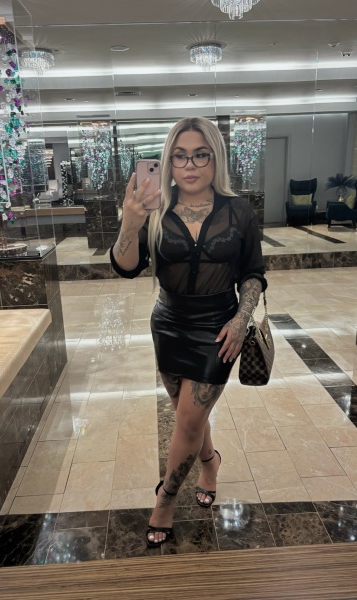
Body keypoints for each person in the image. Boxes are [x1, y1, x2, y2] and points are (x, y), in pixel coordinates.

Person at [110, 116, 267, 547]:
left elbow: (253, 273)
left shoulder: (238, 211)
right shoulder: (155, 207)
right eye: (179, 156)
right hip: (169, 325)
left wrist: (241, 320)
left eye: (201, 155)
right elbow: (126, 268)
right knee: (188, 415)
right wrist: (130, 224)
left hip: (219, 330)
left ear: (216, 158)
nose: (190, 165)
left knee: (188, 418)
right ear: (168, 162)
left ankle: (165, 500)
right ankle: (210, 462)